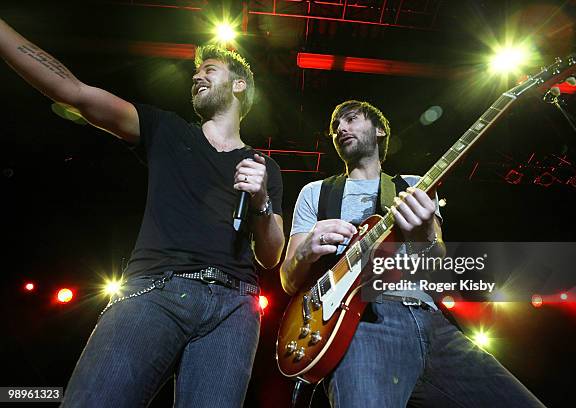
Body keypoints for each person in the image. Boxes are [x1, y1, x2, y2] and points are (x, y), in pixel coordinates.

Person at [1, 18, 285, 407]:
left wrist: (261, 203)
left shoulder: (264, 166)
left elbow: (271, 256)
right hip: (155, 290)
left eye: (209, 70)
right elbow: (75, 93)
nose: (197, 77)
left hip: (234, 308)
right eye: (195, 72)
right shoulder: (164, 129)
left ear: (239, 85)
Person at [280, 100, 545, 407]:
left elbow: (440, 275)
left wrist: (426, 236)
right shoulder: (316, 192)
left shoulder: (414, 187)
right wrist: (304, 253)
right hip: (360, 327)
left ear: (380, 130)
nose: (341, 128)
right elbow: (288, 279)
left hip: (433, 323)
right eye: (335, 126)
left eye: (351, 119)